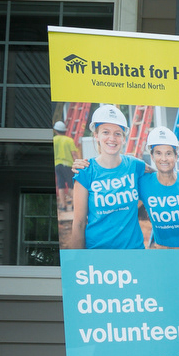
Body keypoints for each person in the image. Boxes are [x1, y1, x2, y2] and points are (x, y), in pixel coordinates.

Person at [68, 105, 147, 249]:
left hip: (134, 253)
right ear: (96, 136)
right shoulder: (85, 171)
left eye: (118, 133)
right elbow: (79, 224)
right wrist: (77, 262)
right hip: (99, 255)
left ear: (124, 138)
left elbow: (163, 173)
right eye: (106, 132)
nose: (112, 138)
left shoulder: (135, 165)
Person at [138, 126, 179, 248]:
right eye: (158, 153)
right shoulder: (143, 183)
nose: (163, 158)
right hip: (165, 254)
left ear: (176, 156)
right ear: (152, 156)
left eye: (168, 153)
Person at [53, 120, 81, 210]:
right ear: (64, 130)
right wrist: (78, 164)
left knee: (60, 186)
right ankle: (74, 205)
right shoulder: (69, 140)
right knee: (72, 185)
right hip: (68, 165)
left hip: (57, 165)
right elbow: (74, 154)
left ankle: (63, 205)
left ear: (55, 130)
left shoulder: (54, 140)